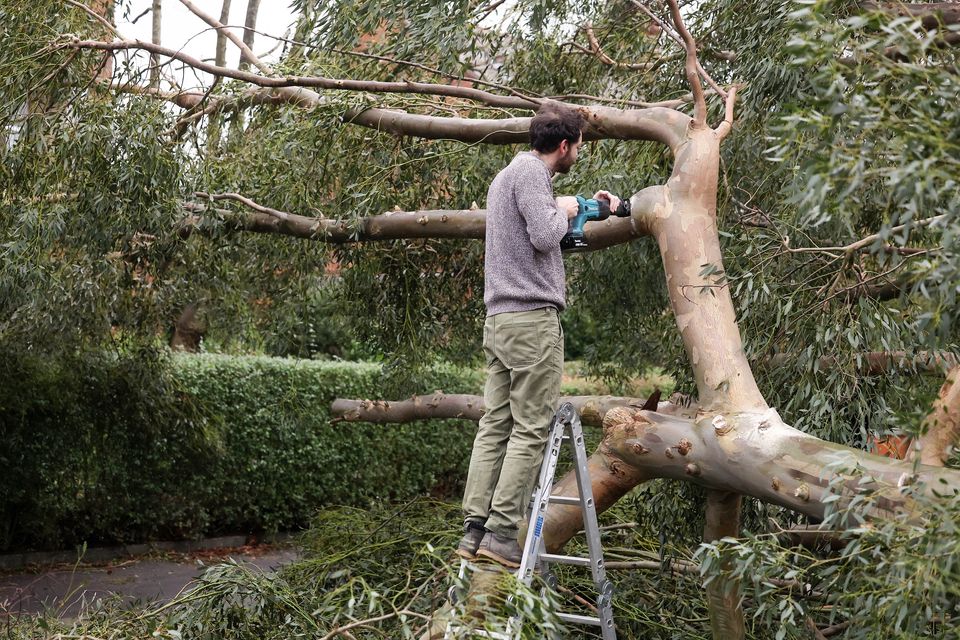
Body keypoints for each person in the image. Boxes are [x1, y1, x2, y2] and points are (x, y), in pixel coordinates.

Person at [457, 104, 621, 568]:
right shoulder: (531, 175)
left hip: (501, 320)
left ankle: (474, 530)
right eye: (579, 147)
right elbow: (548, 235)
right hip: (531, 322)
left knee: (495, 424)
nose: (579, 154)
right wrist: (565, 207)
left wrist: (590, 209)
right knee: (530, 429)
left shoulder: (506, 177)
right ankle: (503, 534)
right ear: (565, 145)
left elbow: (544, 237)